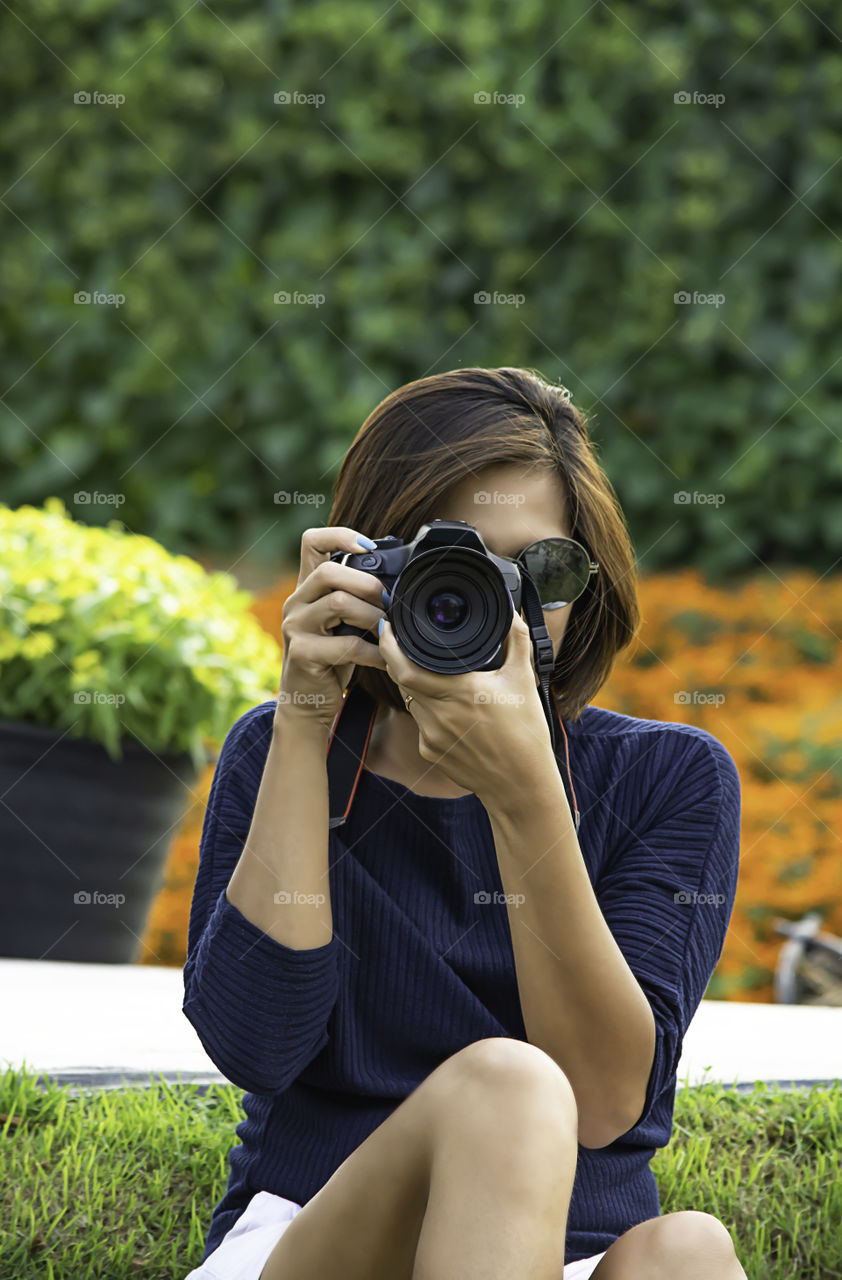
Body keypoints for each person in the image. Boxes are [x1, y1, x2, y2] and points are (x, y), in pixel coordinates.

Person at [182, 366, 748, 1280]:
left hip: (564, 1251)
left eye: (541, 570)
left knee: (687, 1252)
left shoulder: (667, 779)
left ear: (589, 582)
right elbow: (255, 1045)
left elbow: (604, 1103)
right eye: (454, 566)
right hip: (319, 1239)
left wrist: (525, 794)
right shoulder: (287, 750)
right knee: (508, 1085)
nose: (500, 603)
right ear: (364, 570)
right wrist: (305, 717)